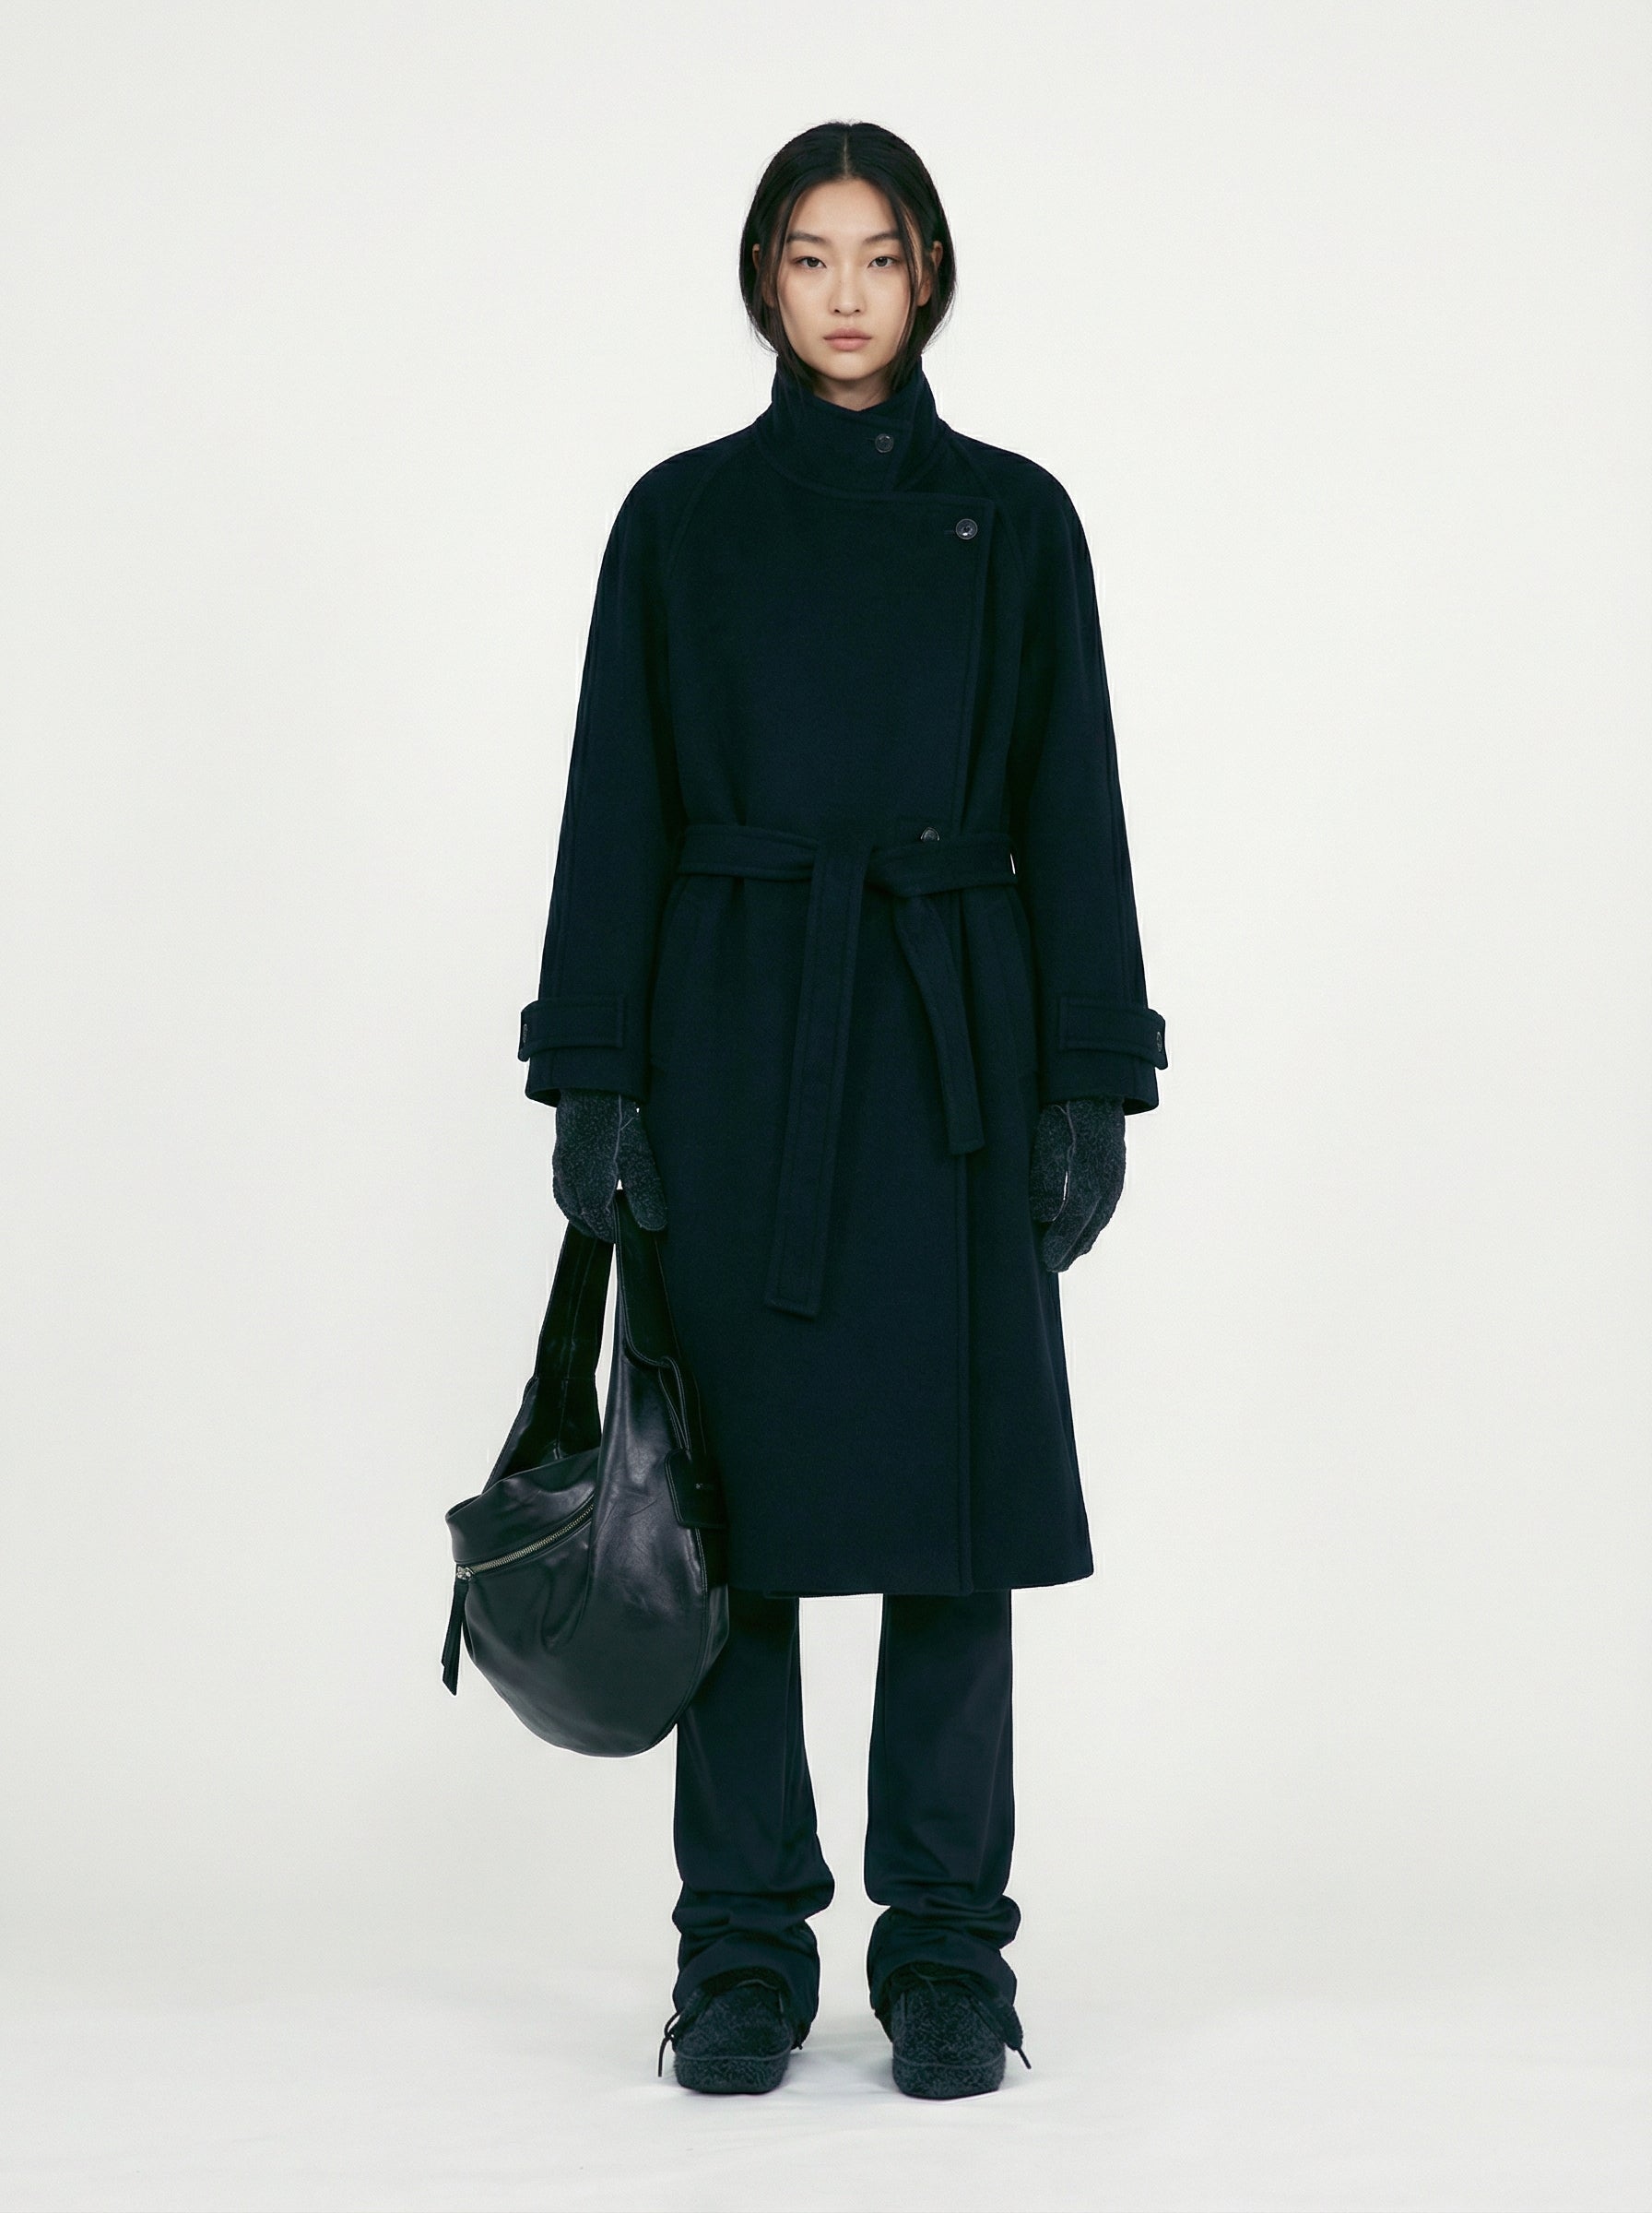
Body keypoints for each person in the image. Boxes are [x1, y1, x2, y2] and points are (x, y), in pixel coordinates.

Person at [518, 120, 1166, 2101]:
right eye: (810, 257)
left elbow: (1071, 800)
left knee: (953, 1525)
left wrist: (1089, 1075)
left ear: (931, 272)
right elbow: (615, 799)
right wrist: (595, 1076)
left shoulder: (1016, 520)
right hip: (734, 1046)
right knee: (732, 1529)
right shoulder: (679, 520)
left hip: (952, 1053)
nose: (848, 294)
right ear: (762, 280)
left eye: (880, 255)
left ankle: (949, 1956)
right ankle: (738, 1957)